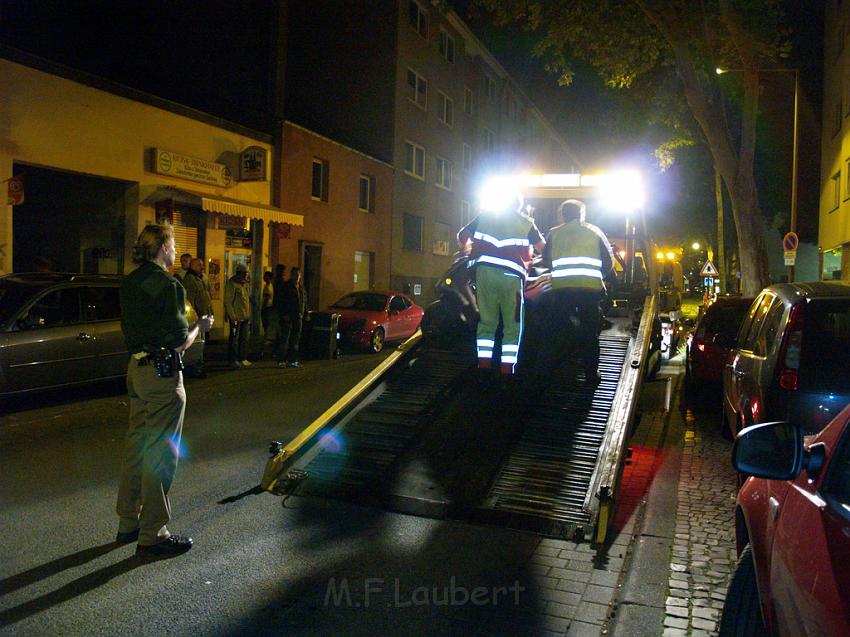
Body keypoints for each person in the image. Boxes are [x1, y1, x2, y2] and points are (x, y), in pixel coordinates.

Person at [116, 222, 214, 557]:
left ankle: (128, 521)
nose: (176, 253)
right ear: (162, 248)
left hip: (136, 371)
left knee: (136, 446)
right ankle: (153, 532)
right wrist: (198, 328)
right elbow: (177, 343)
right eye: (172, 246)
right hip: (162, 376)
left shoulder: (128, 283)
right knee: (160, 453)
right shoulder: (169, 285)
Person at [458, 185, 544, 376]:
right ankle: (507, 371)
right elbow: (543, 248)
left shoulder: (486, 216)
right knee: (513, 325)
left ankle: (484, 367)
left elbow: (462, 235)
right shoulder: (526, 222)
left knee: (487, 323)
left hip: (484, 275)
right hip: (511, 279)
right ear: (519, 205)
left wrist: (465, 249)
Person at [542, 199, 614, 385]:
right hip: (589, 291)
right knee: (589, 333)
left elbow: (546, 261)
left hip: (562, 290)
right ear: (582, 214)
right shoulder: (594, 232)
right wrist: (597, 275)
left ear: (563, 215)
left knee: (558, 330)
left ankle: (556, 371)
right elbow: (608, 263)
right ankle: (591, 375)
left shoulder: (553, 233)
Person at [181, 258, 213, 378]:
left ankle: (198, 367)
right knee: (198, 345)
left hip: (204, 317)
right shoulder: (190, 280)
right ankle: (196, 368)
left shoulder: (200, 279)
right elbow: (190, 300)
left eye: (202, 264)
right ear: (192, 266)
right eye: (199, 265)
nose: (202, 266)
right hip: (198, 318)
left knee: (202, 344)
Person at [276, 266, 308, 368]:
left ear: (300, 276)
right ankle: (281, 360)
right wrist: (284, 314)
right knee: (285, 339)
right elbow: (280, 302)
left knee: (295, 339)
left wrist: (306, 313)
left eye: (298, 275)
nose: (296, 277)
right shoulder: (286, 287)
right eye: (294, 274)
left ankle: (292, 360)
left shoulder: (301, 288)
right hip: (288, 316)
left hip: (298, 316)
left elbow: (304, 301)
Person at [224, 263, 252, 369]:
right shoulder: (232, 284)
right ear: (240, 273)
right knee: (234, 340)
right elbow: (228, 302)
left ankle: (242, 358)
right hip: (236, 317)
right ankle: (233, 360)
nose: (246, 276)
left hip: (244, 317)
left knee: (244, 339)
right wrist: (232, 316)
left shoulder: (244, 284)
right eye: (245, 273)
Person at [261, 271, 276, 358]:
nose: (263, 277)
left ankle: (266, 349)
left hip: (267, 309)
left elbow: (266, 299)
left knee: (267, 328)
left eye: (265, 276)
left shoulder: (267, 287)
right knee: (268, 329)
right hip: (270, 309)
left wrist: (262, 309)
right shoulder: (271, 286)